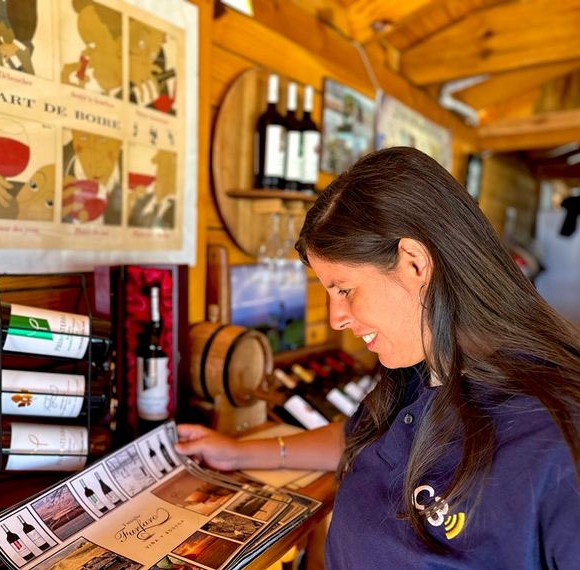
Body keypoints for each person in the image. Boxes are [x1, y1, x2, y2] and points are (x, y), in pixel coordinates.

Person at [175, 147, 580, 568]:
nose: (336, 318)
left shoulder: (560, 439)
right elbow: (361, 437)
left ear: (415, 264)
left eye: (344, 290)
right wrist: (238, 453)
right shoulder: (422, 369)